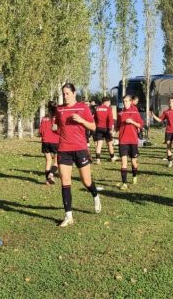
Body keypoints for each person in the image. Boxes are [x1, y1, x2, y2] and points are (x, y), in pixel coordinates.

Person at [54, 83, 101, 227]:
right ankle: (68, 216)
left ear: (74, 93)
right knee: (65, 181)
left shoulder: (83, 107)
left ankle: (95, 195)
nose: (65, 96)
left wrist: (81, 120)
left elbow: (93, 127)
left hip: (80, 148)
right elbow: (57, 126)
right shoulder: (59, 109)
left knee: (86, 181)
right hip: (64, 149)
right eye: (63, 94)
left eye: (67, 93)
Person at [116, 95, 144, 189]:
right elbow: (117, 126)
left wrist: (132, 122)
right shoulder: (120, 113)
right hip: (123, 141)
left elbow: (140, 125)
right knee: (123, 162)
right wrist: (113, 129)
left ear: (131, 101)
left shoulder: (134, 112)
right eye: (124, 101)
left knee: (133, 162)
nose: (125, 103)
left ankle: (134, 176)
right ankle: (124, 183)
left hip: (133, 141)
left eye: (127, 101)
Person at [151, 97, 173, 167]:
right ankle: (170, 162)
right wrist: (153, 115)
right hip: (169, 131)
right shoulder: (166, 112)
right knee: (168, 146)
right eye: (169, 101)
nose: (170, 102)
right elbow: (160, 120)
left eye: (171, 101)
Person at [38, 101, 59, 185]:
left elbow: (40, 131)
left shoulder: (44, 118)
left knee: (48, 161)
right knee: (57, 161)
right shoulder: (57, 118)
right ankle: (51, 174)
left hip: (45, 141)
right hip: (55, 141)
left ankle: (47, 180)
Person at [93, 97, 116, 164]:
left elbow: (94, 119)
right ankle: (112, 157)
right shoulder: (108, 109)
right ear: (106, 102)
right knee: (109, 144)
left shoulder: (97, 108)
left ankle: (98, 159)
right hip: (106, 128)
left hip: (99, 128)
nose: (109, 103)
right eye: (109, 102)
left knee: (99, 144)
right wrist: (111, 129)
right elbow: (110, 119)